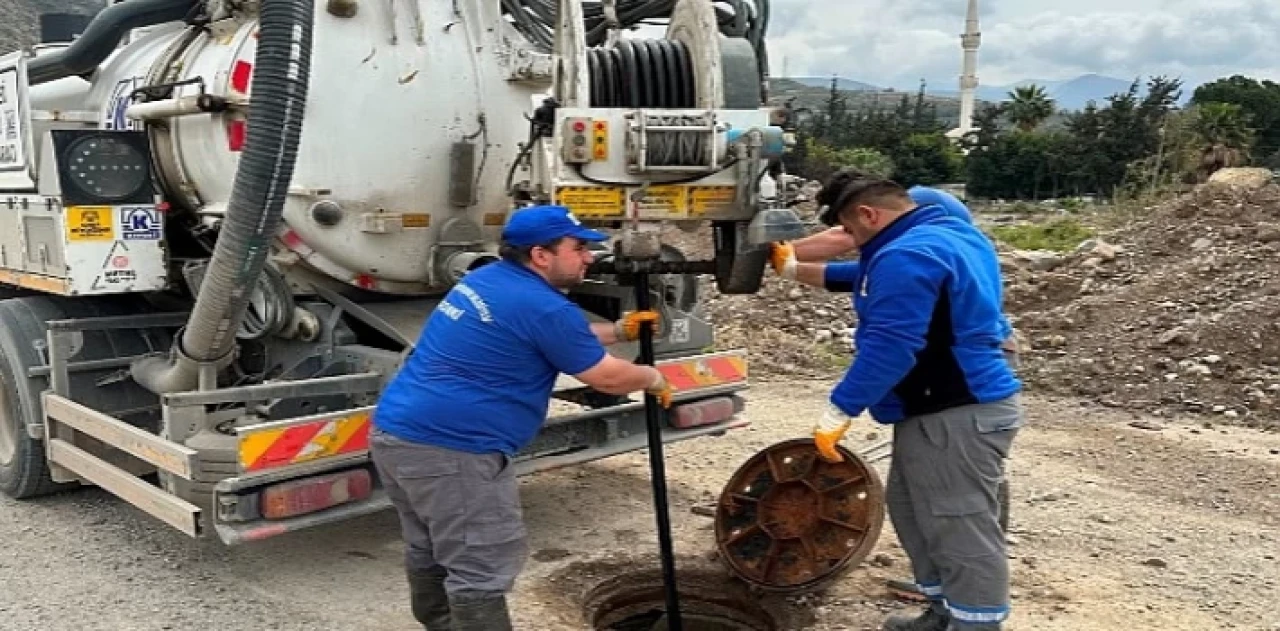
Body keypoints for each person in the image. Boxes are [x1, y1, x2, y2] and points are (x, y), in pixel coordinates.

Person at [369, 204, 673, 631]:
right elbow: (606, 378)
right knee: (482, 562)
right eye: (578, 247)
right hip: (454, 450)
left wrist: (620, 331)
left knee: (431, 546)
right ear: (541, 255)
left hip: (399, 435)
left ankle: (440, 624)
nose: (589, 256)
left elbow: (548, 334)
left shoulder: (488, 280)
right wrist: (653, 377)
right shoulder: (545, 307)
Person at [783, 175, 1024, 631]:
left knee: (958, 524)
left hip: (956, 410)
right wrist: (793, 269)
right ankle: (941, 612)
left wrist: (841, 409)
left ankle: (975, 624)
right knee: (914, 511)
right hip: (942, 408)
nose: (850, 243)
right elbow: (866, 275)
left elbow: (892, 345)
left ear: (869, 215)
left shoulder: (907, 254)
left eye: (850, 233)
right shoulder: (944, 234)